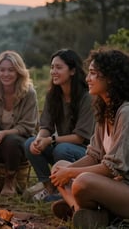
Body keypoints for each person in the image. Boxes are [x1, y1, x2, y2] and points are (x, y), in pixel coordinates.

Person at [50, 48, 129, 228]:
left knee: (83, 181)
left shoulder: (126, 113)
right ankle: (83, 211)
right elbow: (94, 155)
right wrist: (65, 171)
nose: (87, 79)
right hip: (113, 185)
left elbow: (111, 169)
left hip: (125, 189)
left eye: (93, 74)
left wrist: (70, 173)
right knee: (58, 167)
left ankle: (85, 211)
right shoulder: (105, 110)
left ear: (110, 77)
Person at [24, 49, 95, 202]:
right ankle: (49, 189)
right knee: (30, 143)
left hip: (86, 153)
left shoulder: (86, 97)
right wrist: (39, 140)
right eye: (52, 67)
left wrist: (50, 141)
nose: (53, 72)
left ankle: (68, 190)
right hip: (61, 146)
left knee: (62, 149)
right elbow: (46, 126)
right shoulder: (53, 95)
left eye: (59, 67)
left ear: (72, 71)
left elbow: (80, 137)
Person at [0, 50, 38, 196]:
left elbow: (27, 126)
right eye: (2, 70)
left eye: (11, 70)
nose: (6, 74)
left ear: (19, 72)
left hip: (18, 142)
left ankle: (10, 180)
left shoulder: (29, 93)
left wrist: (4, 133)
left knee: (11, 140)